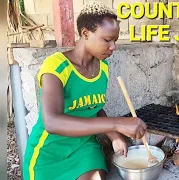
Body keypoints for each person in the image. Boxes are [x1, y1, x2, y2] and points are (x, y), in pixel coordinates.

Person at [22, 2, 147, 180]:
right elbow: (52, 122)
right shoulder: (56, 66)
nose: (113, 47)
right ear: (85, 33)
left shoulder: (102, 67)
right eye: (107, 40)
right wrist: (116, 124)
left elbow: (94, 108)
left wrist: (114, 137)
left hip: (84, 147)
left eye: (115, 40)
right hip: (49, 152)